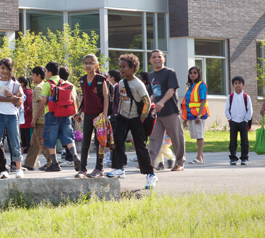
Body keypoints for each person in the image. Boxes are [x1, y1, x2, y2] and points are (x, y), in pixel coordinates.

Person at [106, 54, 157, 189]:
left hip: (136, 118)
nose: (121, 69)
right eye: (120, 66)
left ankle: (151, 175)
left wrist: (141, 119)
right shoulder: (121, 83)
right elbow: (122, 100)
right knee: (118, 140)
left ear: (132, 68)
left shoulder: (138, 84)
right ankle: (119, 168)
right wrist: (119, 114)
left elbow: (147, 102)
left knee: (140, 146)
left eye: (124, 67)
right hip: (123, 117)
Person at [147, 50, 186, 172]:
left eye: (159, 57)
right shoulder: (150, 75)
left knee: (176, 137)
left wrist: (162, 102)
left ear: (164, 59)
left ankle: (179, 163)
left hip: (170, 111)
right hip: (156, 113)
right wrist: (149, 105)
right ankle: (150, 164)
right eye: (154, 57)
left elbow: (172, 89)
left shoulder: (169, 72)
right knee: (154, 138)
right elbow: (152, 94)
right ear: (150, 60)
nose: (157, 59)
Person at [0, 58, 25, 180]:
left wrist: (12, 96)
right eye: (2, 68)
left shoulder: (16, 85)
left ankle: (18, 169)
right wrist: (10, 98)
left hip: (12, 116)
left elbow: (19, 102)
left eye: (7, 69)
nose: (4, 71)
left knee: (15, 143)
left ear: (11, 70)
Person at [73, 54, 109, 179]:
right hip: (87, 115)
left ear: (96, 65)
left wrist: (104, 115)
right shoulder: (82, 79)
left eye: (91, 62)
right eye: (86, 62)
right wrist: (79, 112)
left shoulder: (100, 79)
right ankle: (82, 169)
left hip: (99, 116)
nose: (88, 65)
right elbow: (83, 97)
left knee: (99, 143)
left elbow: (106, 97)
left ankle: (99, 168)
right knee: (85, 143)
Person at [42, 62, 79, 171]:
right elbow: (72, 99)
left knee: (50, 139)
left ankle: (55, 163)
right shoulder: (66, 83)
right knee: (68, 137)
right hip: (66, 114)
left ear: (49, 72)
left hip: (51, 114)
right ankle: (75, 156)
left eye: (46, 72)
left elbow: (44, 101)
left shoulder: (47, 84)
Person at [24, 66, 56, 171]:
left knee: (43, 143)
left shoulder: (38, 88)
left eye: (33, 75)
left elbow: (42, 105)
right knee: (34, 143)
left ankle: (51, 161)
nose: (32, 77)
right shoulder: (46, 85)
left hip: (40, 121)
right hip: (44, 119)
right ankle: (29, 164)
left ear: (38, 75)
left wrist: (34, 120)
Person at [182, 66, 209, 164]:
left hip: (198, 115)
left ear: (198, 74)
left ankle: (198, 157)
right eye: (190, 73)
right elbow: (186, 103)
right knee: (196, 135)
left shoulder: (201, 85)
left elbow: (203, 101)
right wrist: (185, 119)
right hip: (191, 114)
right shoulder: (190, 86)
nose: (192, 74)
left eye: (194, 73)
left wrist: (199, 115)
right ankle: (201, 158)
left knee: (199, 135)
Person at [225, 76, 253, 166]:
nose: (238, 85)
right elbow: (226, 109)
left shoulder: (246, 97)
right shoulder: (230, 97)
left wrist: (246, 120)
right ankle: (233, 157)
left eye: (239, 83)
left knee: (244, 141)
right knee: (233, 141)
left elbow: (250, 110)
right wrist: (230, 119)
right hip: (233, 122)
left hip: (243, 122)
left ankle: (244, 158)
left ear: (243, 85)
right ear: (233, 85)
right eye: (235, 83)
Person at [17, 76, 33, 156]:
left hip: (28, 122)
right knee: (23, 142)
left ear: (21, 84)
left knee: (29, 142)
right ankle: (19, 159)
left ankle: (31, 160)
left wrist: (23, 113)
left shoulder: (27, 93)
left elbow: (31, 107)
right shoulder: (21, 92)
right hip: (22, 122)